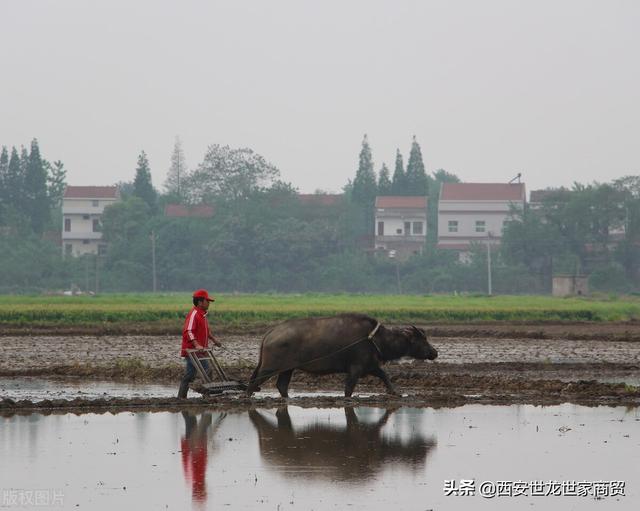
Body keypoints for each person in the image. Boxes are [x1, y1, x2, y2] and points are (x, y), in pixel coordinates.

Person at [178, 289, 222, 399]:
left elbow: (206, 331)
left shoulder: (202, 315)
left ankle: (181, 397)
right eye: (207, 301)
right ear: (200, 302)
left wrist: (214, 340)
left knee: (189, 375)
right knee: (208, 370)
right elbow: (188, 331)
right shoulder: (194, 314)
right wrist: (197, 345)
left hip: (200, 350)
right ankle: (206, 395)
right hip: (193, 351)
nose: (209, 303)